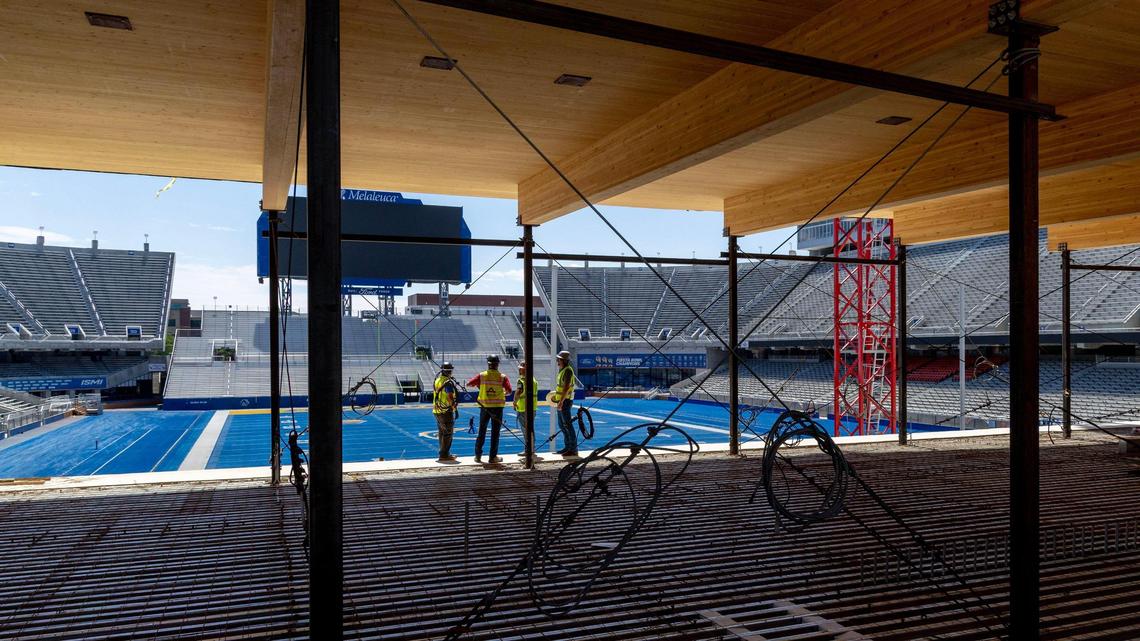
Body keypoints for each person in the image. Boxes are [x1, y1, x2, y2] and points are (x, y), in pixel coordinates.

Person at [467, 354, 512, 464]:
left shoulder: (482, 376)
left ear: (488, 364)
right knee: (495, 433)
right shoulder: (502, 377)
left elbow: (469, 384)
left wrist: (481, 387)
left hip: (485, 408)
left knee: (481, 431)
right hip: (497, 408)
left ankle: (478, 456)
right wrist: (502, 393)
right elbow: (509, 390)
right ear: (497, 364)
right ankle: (492, 457)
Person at [551, 350, 578, 457]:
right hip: (562, 401)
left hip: (565, 402)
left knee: (567, 425)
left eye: (559, 359)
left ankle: (573, 448)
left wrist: (561, 401)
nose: (557, 360)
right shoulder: (563, 370)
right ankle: (568, 447)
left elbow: (566, 387)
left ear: (563, 360)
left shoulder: (567, 371)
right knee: (562, 425)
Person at [432, 362, 458, 462]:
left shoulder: (438, 380)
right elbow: (450, 396)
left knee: (442, 433)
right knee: (448, 434)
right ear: (450, 371)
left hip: (437, 410)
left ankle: (443, 453)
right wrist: (454, 407)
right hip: (446, 411)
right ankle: (444, 455)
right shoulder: (447, 382)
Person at [513, 359, 539, 454]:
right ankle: (532, 448)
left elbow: (519, 391)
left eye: (521, 369)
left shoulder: (522, 380)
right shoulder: (534, 380)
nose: (519, 370)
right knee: (531, 429)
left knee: (525, 430)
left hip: (523, 408)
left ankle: (528, 449)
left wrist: (514, 401)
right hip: (533, 408)